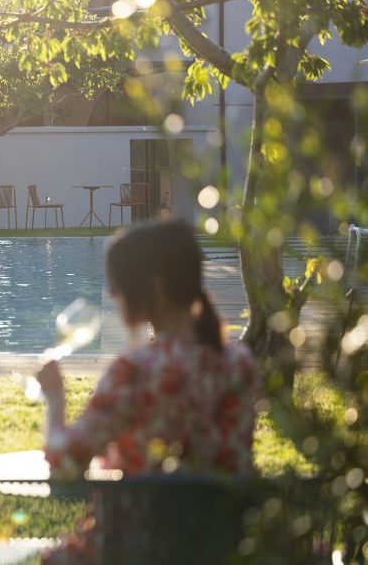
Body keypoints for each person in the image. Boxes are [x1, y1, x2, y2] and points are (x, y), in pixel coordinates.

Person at [36, 221, 260, 562]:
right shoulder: (240, 365)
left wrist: (55, 398)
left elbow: (65, 466)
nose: (112, 293)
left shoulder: (137, 371)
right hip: (221, 546)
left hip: (134, 547)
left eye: (119, 284)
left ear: (154, 287)